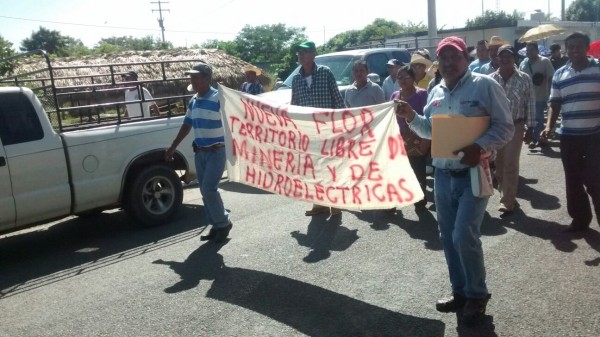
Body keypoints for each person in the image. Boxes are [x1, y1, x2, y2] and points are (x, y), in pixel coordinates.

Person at [395, 36, 513, 324]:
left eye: (454, 56)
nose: (448, 63)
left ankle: (477, 294)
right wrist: (411, 116)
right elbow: (427, 130)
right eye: (443, 58)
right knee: (448, 238)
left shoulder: (485, 85)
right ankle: (459, 291)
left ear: (466, 58)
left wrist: (481, 147)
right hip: (444, 176)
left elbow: (505, 126)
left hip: (474, 174)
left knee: (463, 235)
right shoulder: (435, 92)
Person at [164, 63, 232, 243]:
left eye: (196, 77)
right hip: (201, 152)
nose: (192, 80)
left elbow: (234, 121)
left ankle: (223, 223)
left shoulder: (219, 98)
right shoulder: (194, 100)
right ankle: (216, 225)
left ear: (207, 78)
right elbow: (187, 125)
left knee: (209, 188)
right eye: (191, 77)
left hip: (217, 151)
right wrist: (173, 147)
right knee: (204, 190)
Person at [541, 32, 600, 233]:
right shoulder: (560, 74)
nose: (575, 50)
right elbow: (554, 103)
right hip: (569, 136)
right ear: (567, 50)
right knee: (573, 180)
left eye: (579, 46)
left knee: (595, 181)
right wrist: (548, 126)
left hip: (595, 135)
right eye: (571, 47)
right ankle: (580, 220)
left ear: (587, 47)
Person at [290, 41, 345, 217]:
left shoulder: (325, 73)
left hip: (327, 130)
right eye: (299, 52)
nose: (300, 55)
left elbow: (337, 100)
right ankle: (319, 204)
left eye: (304, 52)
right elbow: (295, 106)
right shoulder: (297, 78)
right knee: (313, 168)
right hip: (309, 133)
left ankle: (335, 203)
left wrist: (341, 126)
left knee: (330, 167)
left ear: (313, 54)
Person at [489, 44, 536, 214]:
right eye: (502, 56)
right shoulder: (490, 79)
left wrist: (530, 128)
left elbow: (530, 103)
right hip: (496, 126)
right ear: (497, 59)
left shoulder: (524, 78)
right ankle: (507, 193)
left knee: (510, 163)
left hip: (516, 125)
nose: (505, 59)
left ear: (514, 58)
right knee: (498, 165)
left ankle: (507, 200)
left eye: (508, 56)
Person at [389, 65, 429, 209]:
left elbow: (428, 120)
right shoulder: (394, 96)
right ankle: (392, 202)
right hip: (399, 140)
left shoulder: (422, 94)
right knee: (396, 172)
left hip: (418, 139)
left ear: (413, 78)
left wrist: (426, 141)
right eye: (400, 77)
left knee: (418, 171)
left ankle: (420, 200)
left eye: (407, 77)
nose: (403, 80)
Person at [519, 42, 555, 149]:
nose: (529, 52)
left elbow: (550, 77)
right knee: (528, 119)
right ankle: (534, 135)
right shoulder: (524, 63)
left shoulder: (545, 61)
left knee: (538, 118)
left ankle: (535, 138)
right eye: (527, 50)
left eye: (531, 50)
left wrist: (550, 93)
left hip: (539, 95)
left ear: (537, 51)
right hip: (526, 97)